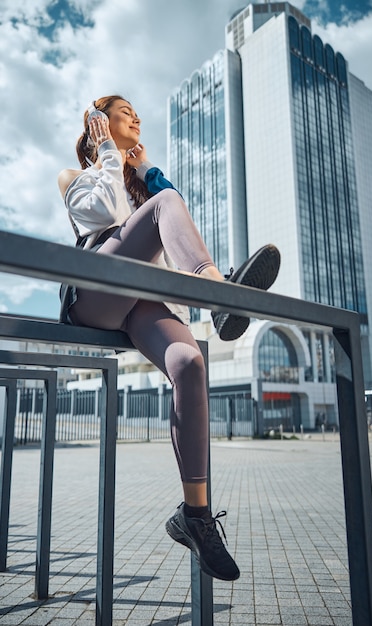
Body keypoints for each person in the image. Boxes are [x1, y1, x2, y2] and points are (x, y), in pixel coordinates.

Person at [58, 95, 280, 582]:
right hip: (94, 295)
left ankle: (195, 516)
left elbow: (174, 215)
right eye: (125, 112)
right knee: (166, 204)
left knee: (189, 363)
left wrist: (148, 168)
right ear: (99, 122)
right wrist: (110, 157)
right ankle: (218, 295)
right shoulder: (74, 176)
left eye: (138, 112)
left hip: (139, 300)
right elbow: (102, 212)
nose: (137, 118)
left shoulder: (142, 184)